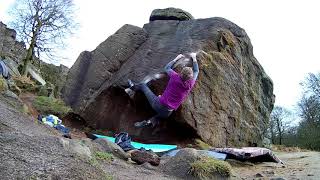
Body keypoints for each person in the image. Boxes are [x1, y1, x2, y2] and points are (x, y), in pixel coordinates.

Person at [128, 52, 199, 128]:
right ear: (190, 78)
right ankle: (149, 122)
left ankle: (132, 87)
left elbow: (167, 68)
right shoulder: (190, 84)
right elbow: (196, 71)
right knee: (159, 116)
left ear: (180, 73)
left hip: (158, 104)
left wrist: (177, 58)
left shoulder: (175, 76)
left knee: (142, 85)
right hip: (168, 112)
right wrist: (194, 58)